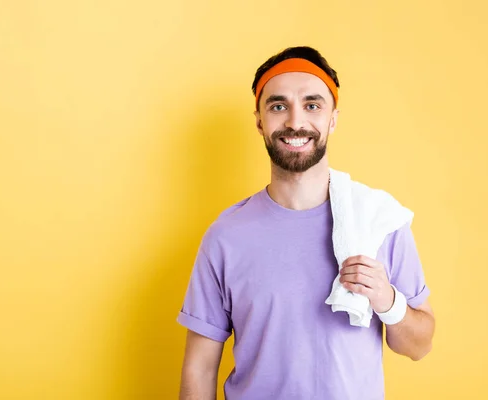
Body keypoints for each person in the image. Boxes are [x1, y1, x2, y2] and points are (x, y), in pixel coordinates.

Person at [177, 46, 435, 400]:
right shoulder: (225, 236)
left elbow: (419, 346)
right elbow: (200, 367)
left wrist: (388, 300)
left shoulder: (378, 221)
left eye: (312, 105)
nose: (295, 122)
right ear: (259, 120)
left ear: (333, 118)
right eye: (278, 106)